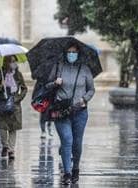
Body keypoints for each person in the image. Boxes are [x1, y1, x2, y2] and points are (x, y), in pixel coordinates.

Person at [45, 42, 95, 185]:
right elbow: (46, 85)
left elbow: (91, 89)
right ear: (65, 53)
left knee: (76, 143)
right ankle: (67, 172)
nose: (71, 54)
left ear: (78, 54)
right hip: (61, 111)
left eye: (74, 52)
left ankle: (76, 168)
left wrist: (84, 99)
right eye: (69, 52)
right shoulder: (58, 67)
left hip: (80, 111)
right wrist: (55, 83)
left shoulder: (85, 69)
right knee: (67, 140)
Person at [0, 55, 28, 160]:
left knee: (13, 128)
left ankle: (11, 150)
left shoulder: (18, 75)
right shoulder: (0, 74)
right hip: (2, 104)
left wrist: (18, 98)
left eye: (15, 61)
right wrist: (1, 86)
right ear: (6, 63)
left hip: (14, 105)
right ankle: (5, 146)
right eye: (12, 61)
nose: (14, 63)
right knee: (2, 127)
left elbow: (24, 88)